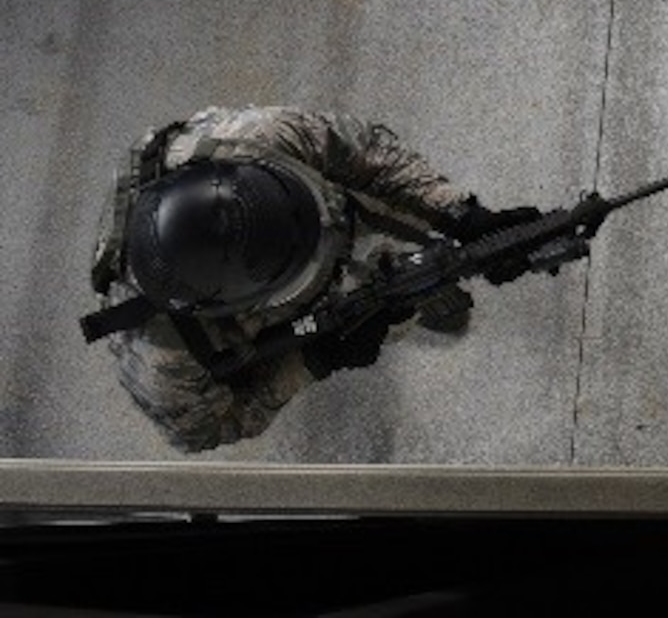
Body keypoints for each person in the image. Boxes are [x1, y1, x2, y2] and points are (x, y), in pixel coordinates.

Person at [84, 106, 540, 452]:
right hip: (247, 324)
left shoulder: (254, 140)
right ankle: (410, 305)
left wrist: (459, 212)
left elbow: (364, 154)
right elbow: (205, 430)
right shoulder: (162, 358)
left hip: (299, 212)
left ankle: (417, 281)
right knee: (371, 314)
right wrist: (310, 364)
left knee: (395, 242)